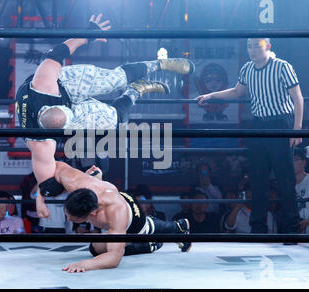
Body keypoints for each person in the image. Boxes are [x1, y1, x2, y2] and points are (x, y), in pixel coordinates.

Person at [16, 13, 195, 220]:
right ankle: (136, 91)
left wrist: (88, 34)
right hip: (64, 115)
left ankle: (159, 64)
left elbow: (59, 51)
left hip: (64, 85)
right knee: (114, 120)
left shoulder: (44, 82)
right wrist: (82, 179)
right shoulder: (39, 142)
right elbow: (48, 185)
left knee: (114, 80)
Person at [197, 38, 303, 234]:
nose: (252, 50)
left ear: (267, 47)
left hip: (281, 123)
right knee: (258, 179)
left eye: (257, 46)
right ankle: (258, 228)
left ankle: (291, 229)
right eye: (249, 46)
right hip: (258, 125)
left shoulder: (282, 67)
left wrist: (296, 128)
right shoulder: (247, 68)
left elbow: (298, 97)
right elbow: (237, 92)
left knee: (285, 179)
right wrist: (211, 95)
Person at [40, 162, 191, 273]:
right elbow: (56, 166)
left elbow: (114, 259)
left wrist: (85, 264)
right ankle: (178, 226)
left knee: (97, 249)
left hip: (131, 215)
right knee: (101, 246)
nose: (68, 219)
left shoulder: (115, 213)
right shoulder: (75, 182)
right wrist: (40, 200)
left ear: (92, 214)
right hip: (109, 192)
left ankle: (149, 243)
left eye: (73, 219)